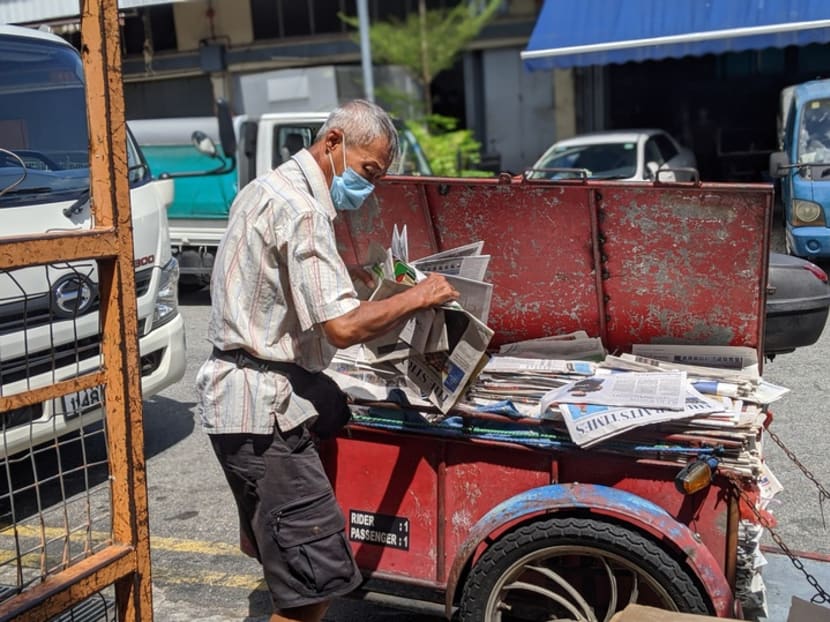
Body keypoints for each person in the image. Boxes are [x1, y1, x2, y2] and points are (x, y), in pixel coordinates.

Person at [195, 99, 458, 622]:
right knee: (310, 594)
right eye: (369, 171)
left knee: (291, 569)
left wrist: (371, 291)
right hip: (264, 411)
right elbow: (340, 327)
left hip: (237, 398)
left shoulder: (264, 189)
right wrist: (420, 295)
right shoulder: (305, 209)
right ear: (333, 142)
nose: (369, 187)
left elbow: (280, 290)